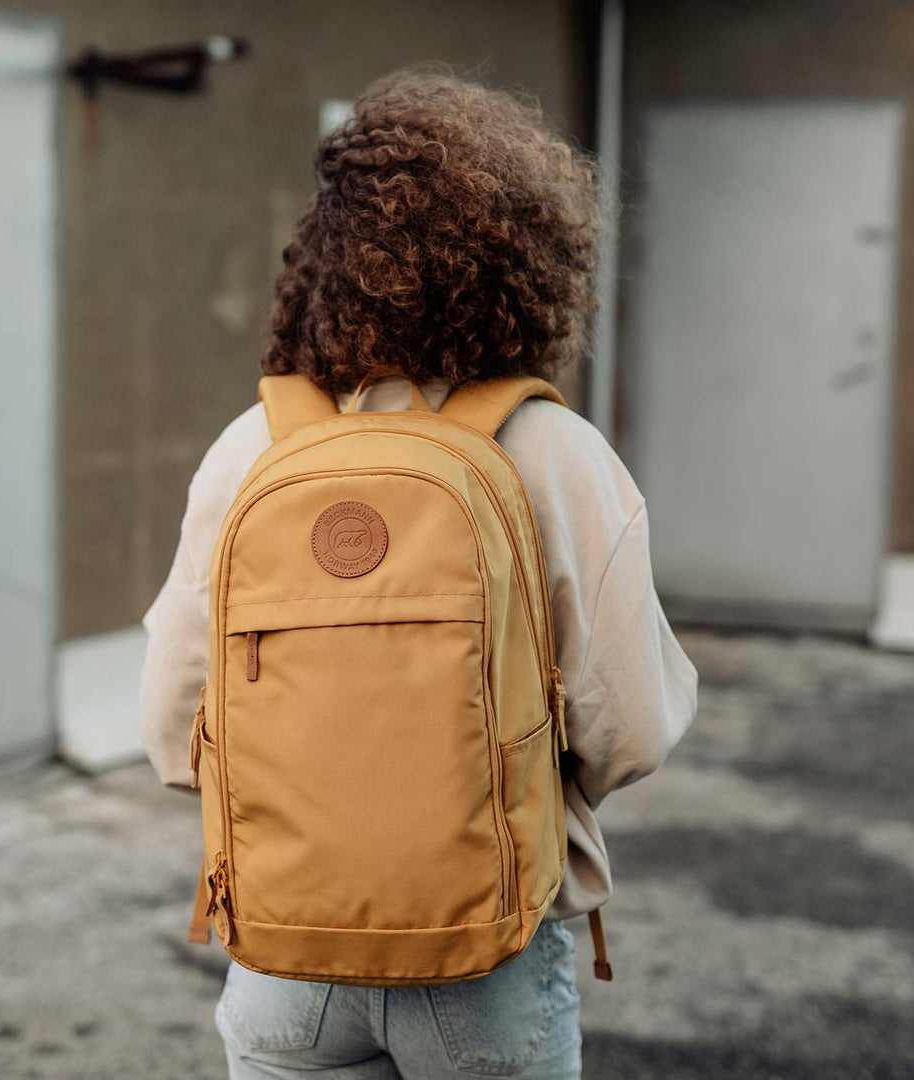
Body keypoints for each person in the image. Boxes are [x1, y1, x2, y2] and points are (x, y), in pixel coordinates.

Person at [138, 66, 698, 1080]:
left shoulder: (249, 449)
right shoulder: (555, 452)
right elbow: (635, 727)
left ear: (322, 265)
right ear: (529, 259)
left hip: (283, 961)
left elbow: (174, 730)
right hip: (484, 957)